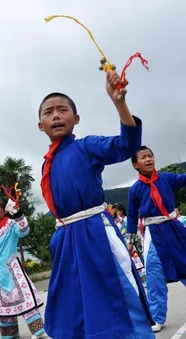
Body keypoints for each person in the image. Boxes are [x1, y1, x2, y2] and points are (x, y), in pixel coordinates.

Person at [38, 70, 155, 339]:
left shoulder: (86, 147)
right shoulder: (48, 162)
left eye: (62, 110)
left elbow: (126, 145)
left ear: (75, 119)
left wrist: (119, 103)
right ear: (40, 125)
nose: (56, 115)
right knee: (74, 304)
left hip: (94, 233)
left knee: (118, 295)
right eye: (49, 112)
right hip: (66, 238)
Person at [127, 145, 186, 333]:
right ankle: (157, 317)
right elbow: (131, 216)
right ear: (136, 165)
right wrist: (130, 240)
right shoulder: (135, 189)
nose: (148, 159)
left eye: (150, 156)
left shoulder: (167, 178)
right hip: (153, 234)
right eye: (143, 157)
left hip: (173, 228)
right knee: (154, 276)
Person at [0, 198, 49, 339]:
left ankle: (39, 332)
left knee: (25, 301)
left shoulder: (10, 225)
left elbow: (24, 230)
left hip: (13, 270)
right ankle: (10, 334)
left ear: (3, 210)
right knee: (5, 307)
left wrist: (17, 213)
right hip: (0, 274)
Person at [116, 204, 146, 287]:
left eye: (117, 211)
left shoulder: (126, 220)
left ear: (121, 211)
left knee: (137, 263)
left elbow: (134, 231)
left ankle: (144, 280)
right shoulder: (118, 223)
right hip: (125, 244)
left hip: (131, 243)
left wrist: (132, 243)